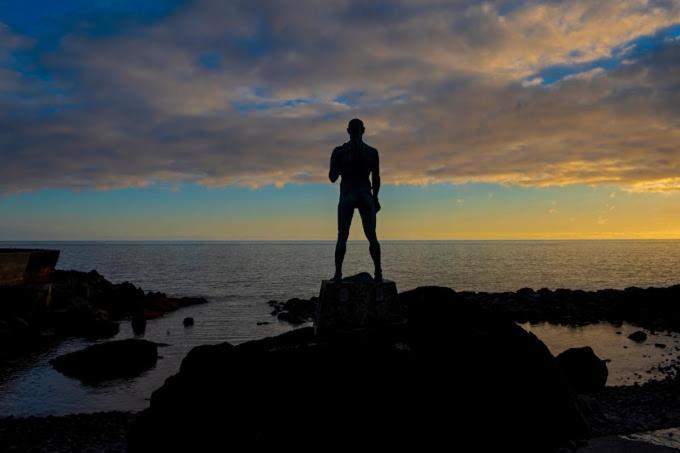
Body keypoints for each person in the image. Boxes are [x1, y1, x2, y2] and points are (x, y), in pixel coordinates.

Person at [329, 118, 383, 281]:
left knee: (342, 237)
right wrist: (375, 198)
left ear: (348, 131)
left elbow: (332, 177)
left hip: (347, 194)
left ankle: (338, 274)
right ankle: (378, 273)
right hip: (365, 194)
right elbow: (376, 178)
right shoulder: (372, 152)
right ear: (363, 130)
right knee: (372, 236)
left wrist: (341, 165)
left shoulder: (339, 151)